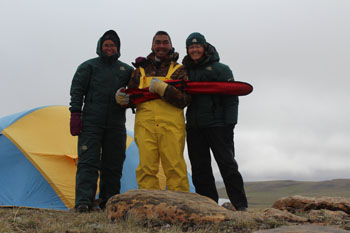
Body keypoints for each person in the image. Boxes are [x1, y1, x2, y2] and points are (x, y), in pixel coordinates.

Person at [116, 31, 190, 192]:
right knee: (146, 167)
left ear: (171, 45)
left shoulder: (180, 70)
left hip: (171, 127)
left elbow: (185, 100)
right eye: (158, 42)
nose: (161, 46)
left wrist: (164, 89)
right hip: (145, 126)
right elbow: (132, 97)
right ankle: (148, 206)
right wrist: (123, 100)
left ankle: (181, 207)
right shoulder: (139, 71)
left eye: (165, 42)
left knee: (175, 166)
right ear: (152, 45)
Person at [182, 32, 248, 211]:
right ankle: (209, 206)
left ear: (204, 47)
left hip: (218, 125)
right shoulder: (184, 70)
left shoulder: (221, 69)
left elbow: (232, 98)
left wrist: (230, 125)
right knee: (200, 169)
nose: (194, 50)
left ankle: (241, 206)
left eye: (198, 46)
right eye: (191, 47)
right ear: (187, 49)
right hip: (194, 127)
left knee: (227, 165)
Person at [69, 30, 133, 212]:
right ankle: (83, 202)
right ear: (100, 47)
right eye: (106, 45)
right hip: (91, 122)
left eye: (113, 45)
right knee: (88, 162)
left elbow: (136, 91)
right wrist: (75, 114)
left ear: (118, 48)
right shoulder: (88, 67)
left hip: (116, 124)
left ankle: (109, 202)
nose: (109, 48)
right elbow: (77, 91)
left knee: (113, 163)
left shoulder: (126, 70)